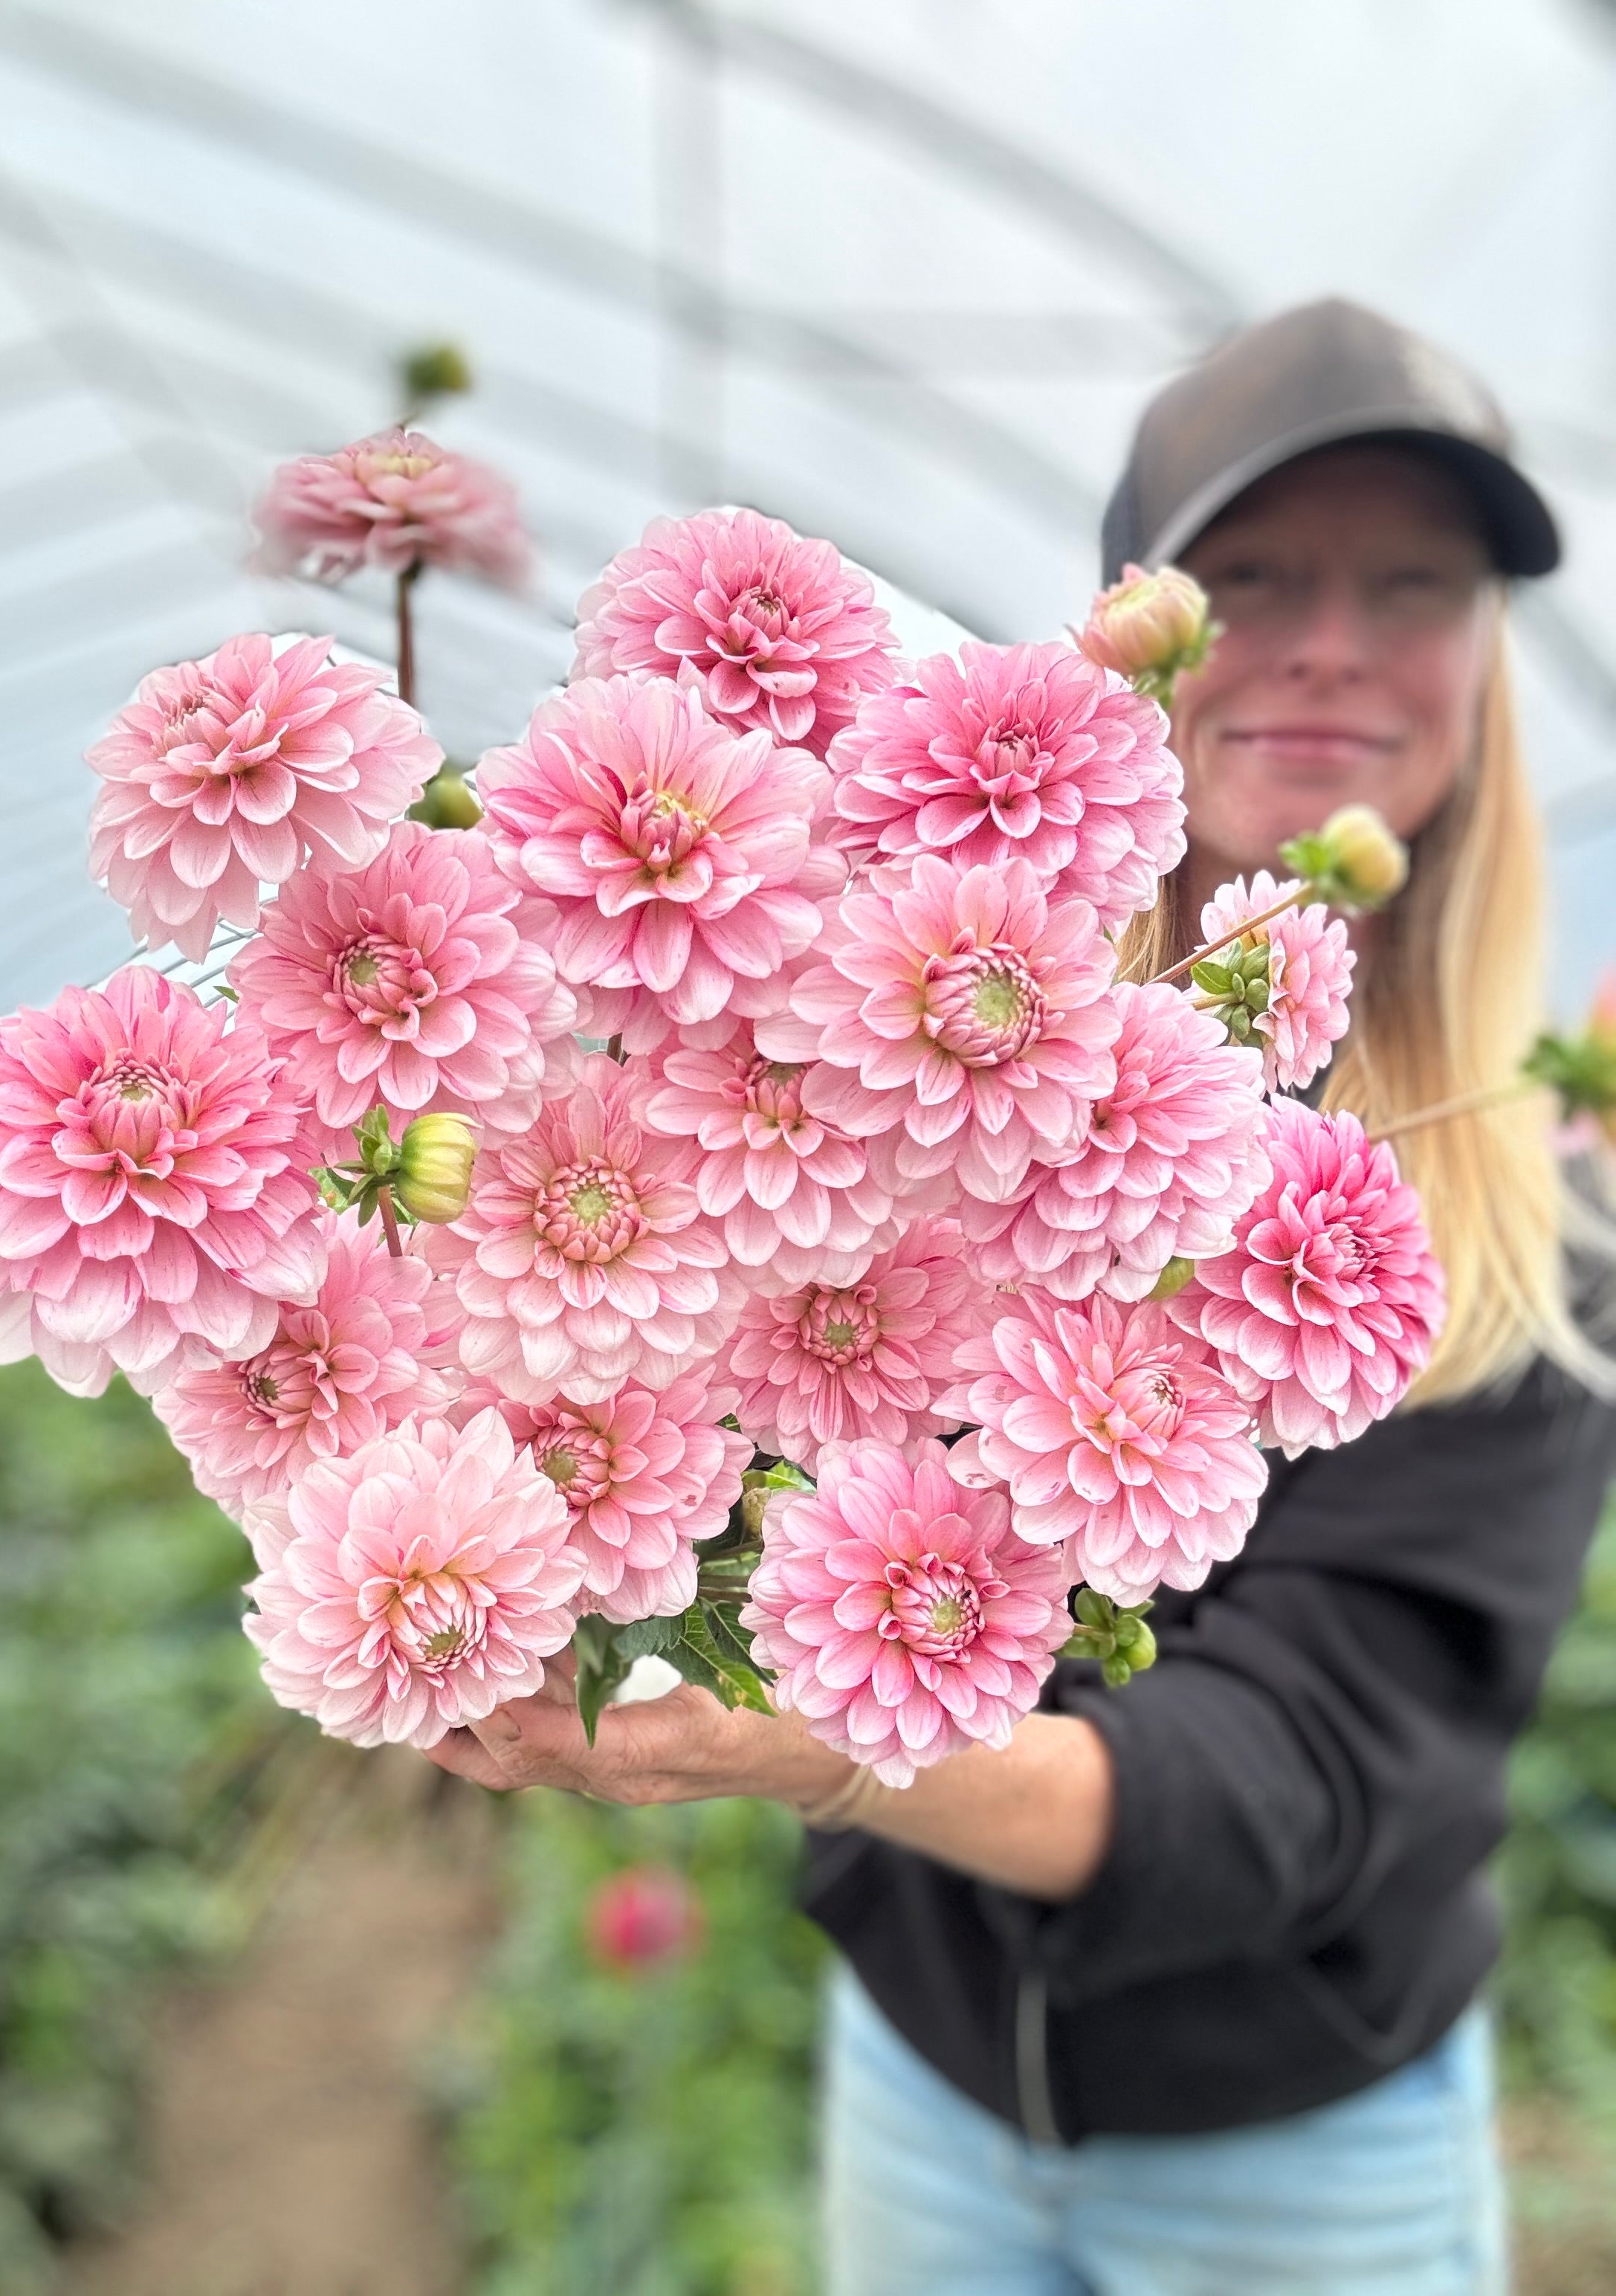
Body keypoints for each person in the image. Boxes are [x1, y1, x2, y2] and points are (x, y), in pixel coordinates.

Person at [425, 300, 1616, 2295]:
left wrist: (813, 1743)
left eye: (1410, 586)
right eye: (1247, 578)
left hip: (1295, 2157)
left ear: (1479, 676)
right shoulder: (866, 1053)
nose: (1326, 639)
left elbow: (1292, 1786)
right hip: (921, 2081)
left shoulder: (1528, 1246)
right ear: (1118, 635)